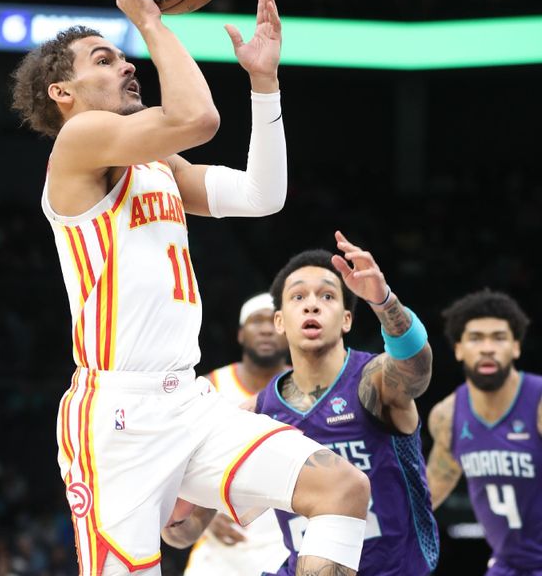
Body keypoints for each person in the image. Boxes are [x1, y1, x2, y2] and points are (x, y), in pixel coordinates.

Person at [11, 0, 370, 574]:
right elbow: (198, 117)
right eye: (106, 59)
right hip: (116, 418)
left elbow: (263, 195)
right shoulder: (77, 142)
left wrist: (263, 83)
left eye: (126, 56)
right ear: (63, 91)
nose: (128, 66)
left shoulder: (155, 163)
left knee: (341, 490)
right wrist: (150, 20)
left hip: (188, 402)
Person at [164, 232, 440, 576]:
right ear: (279, 321)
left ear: (346, 319)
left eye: (327, 295)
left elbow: (417, 368)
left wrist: (384, 302)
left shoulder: (374, 382)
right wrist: (164, 501)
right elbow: (185, 528)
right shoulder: (255, 414)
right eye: (298, 297)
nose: (312, 304)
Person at [426, 289, 542, 576]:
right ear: (458, 349)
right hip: (507, 566)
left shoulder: (538, 404)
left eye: (499, 338)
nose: (487, 348)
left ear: (516, 347)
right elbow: (429, 494)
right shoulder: (447, 415)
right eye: (476, 338)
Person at [177, 293, 291, 575]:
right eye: (256, 321)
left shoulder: (311, 387)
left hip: (287, 545)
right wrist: (197, 514)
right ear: (240, 334)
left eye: (274, 321)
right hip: (221, 553)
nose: (265, 329)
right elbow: (176, 466)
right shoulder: (208, 387)